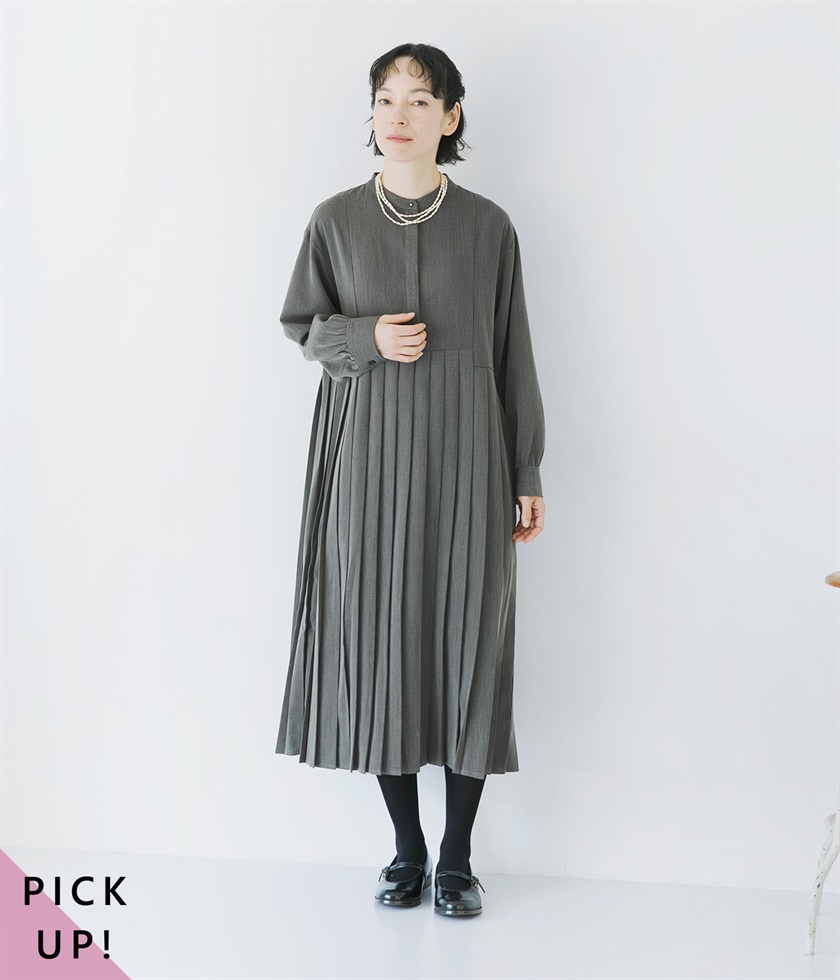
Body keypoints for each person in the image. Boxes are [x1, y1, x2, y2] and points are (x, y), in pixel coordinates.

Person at [275, 42, 546, 917]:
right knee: (380, 643)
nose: (399, 114)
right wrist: (366, 338)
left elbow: (513, 354)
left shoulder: (490, 227)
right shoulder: (335, 220)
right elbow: (302, 327)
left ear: (450, 117)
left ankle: (458, 860)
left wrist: (527, 467)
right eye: (386, 98)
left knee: (471, 648)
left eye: (420, 100)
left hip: (470, 463)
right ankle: (407, 851)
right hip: (367, 463)